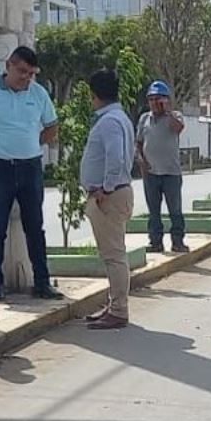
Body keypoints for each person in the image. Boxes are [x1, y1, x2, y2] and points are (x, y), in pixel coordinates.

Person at [0, 44, 63, 302]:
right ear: (8, 66)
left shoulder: (38, 93)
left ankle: (42, 282)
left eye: (31, 73)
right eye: (22, 71)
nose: (26, 77)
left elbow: (52, 125)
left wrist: (34, 143)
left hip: (30, 167)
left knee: (35, 227)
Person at [80, 68, 136, 330]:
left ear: (94, 95)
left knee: (113, 255)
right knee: (112, 253)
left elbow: (116, 158)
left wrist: (106, 189)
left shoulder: (110, 121)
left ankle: (119, 310)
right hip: (112, 193)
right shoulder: (118, 117)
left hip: (109, 196)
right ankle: (114, 304)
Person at [136, 79, 187, 254]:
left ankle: (178, 241)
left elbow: (178, 128)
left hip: (171, 173)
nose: (154, 103)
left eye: (158, 99)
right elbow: (139, 143)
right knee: (153, 211)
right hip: (151, 173)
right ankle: (155, 242)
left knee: (175, 210)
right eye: (151, 99)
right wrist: (141, 160)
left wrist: (167, 111)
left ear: (166, 100)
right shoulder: (144, 119)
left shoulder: (175, 116)